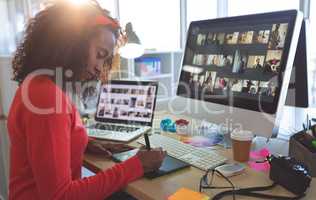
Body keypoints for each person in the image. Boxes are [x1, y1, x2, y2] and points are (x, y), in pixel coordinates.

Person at [7, 1, 165, 200]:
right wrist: (137, 165)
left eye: (105, 60)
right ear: (72, 42)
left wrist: (82, 143)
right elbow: (61, 196)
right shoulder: (46, 98)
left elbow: (44, 146)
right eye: (100, 55)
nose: (100, 68)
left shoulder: (36, 85)